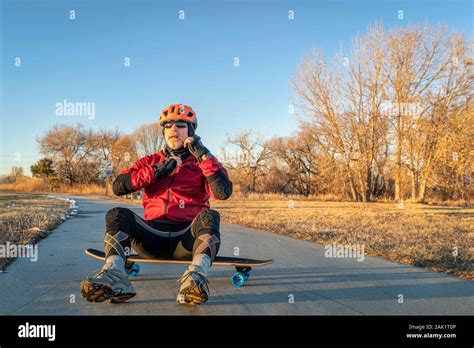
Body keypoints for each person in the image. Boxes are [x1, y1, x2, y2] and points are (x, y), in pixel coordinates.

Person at [80, 104, 233, 305]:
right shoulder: (151, 161)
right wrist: (156, 171)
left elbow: (223, 193)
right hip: (151, 238)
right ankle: (115, 274)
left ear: (191, 131)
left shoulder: (202, 162)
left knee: (210, 216)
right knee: (118, 213)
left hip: (186, 240)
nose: (173, 130)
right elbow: (119, 186)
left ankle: (194, 279)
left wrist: (203, 155)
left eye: (180, 125)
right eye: (168, 126)